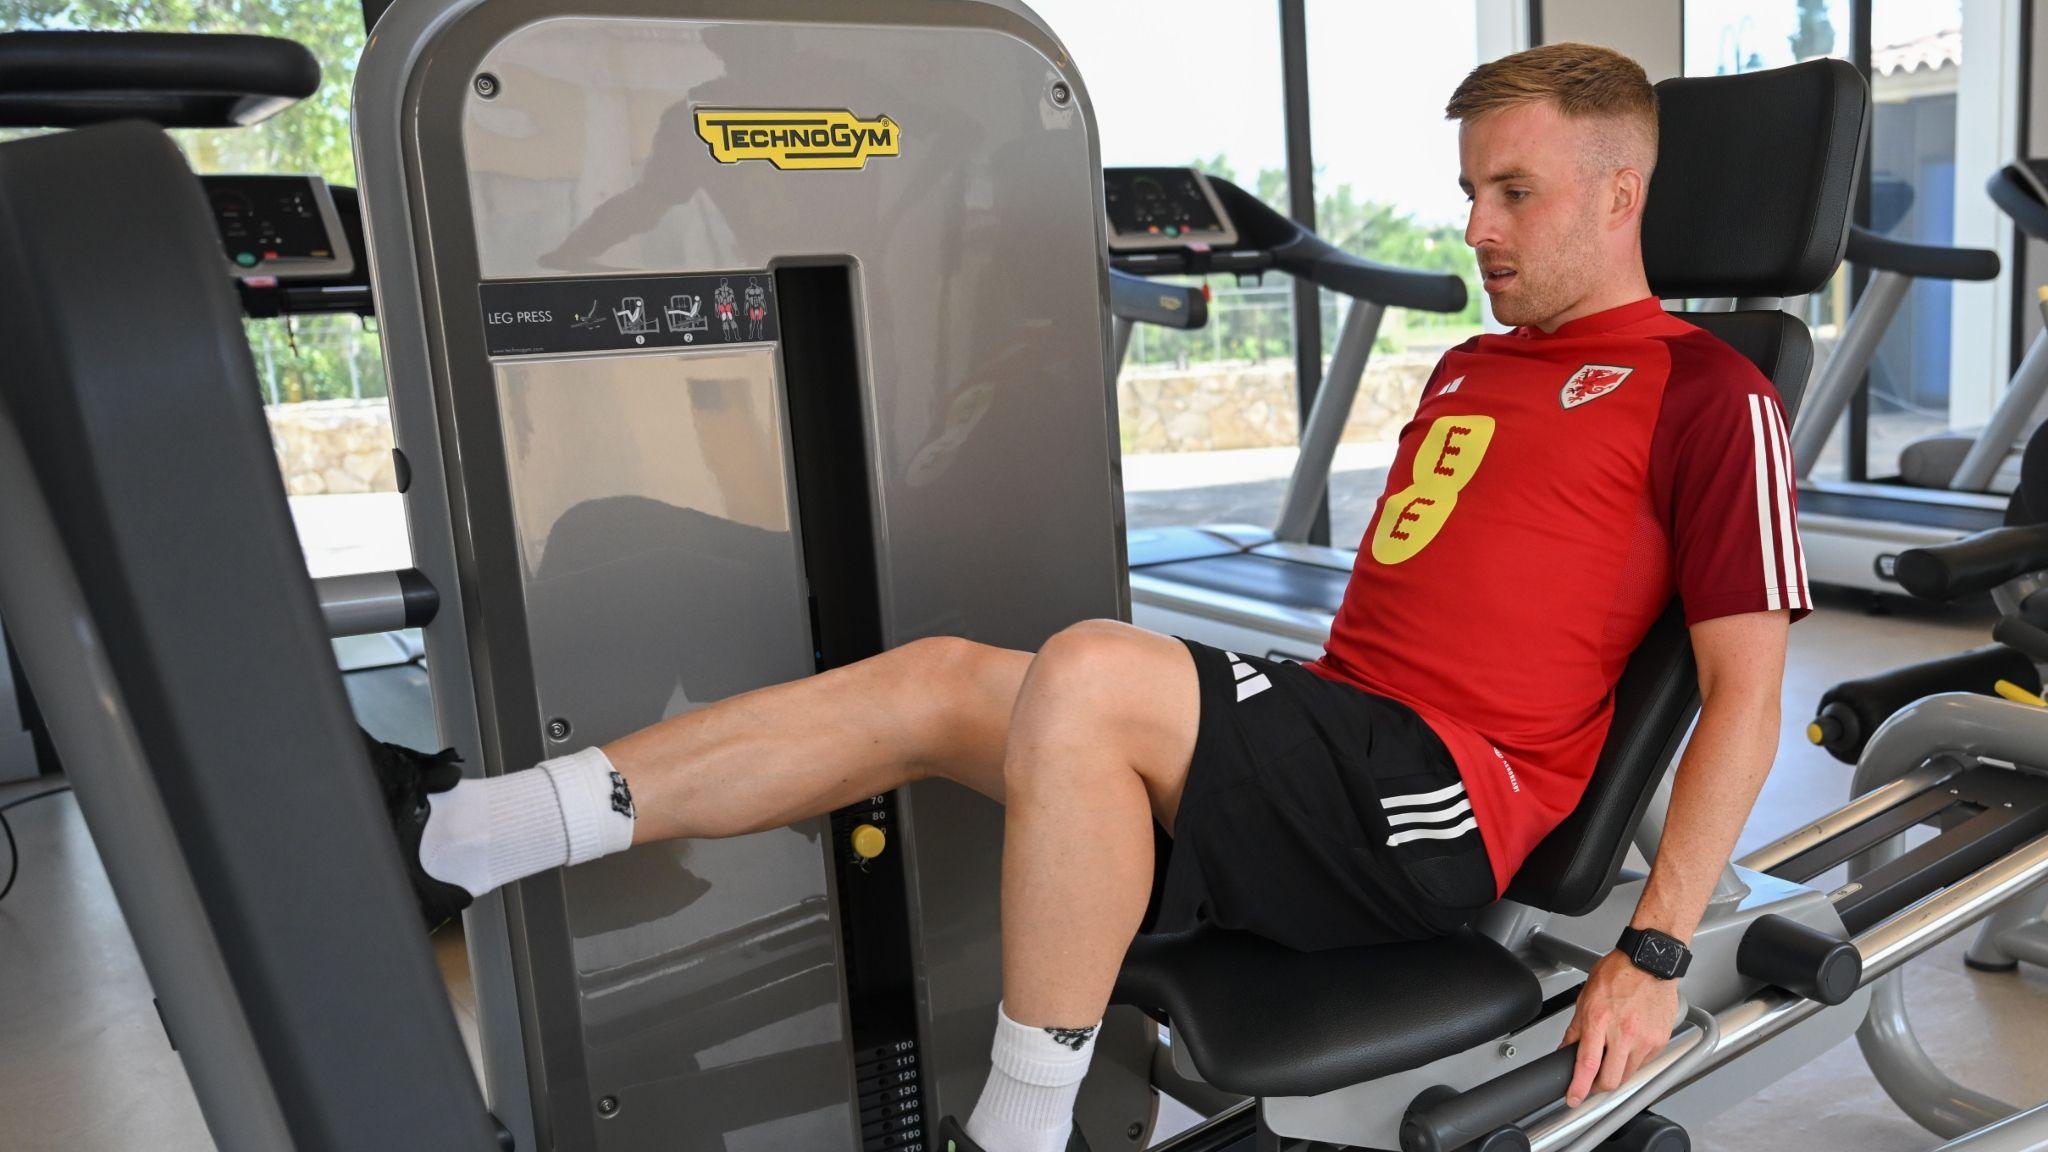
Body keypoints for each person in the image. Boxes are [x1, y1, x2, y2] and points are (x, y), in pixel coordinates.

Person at [381, 42, 1807, 1152]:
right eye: (1470, 192)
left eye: (1516, 193)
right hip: (1337, 743)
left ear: (1620, 194)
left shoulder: (1709, 391)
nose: (1479, 228)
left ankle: (1018, 1129)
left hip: (1437, 806)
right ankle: (470, 832)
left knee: (1090, 667)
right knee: (939, 677)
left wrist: (1655, 951)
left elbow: (1745, 693)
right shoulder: (1474, 366)